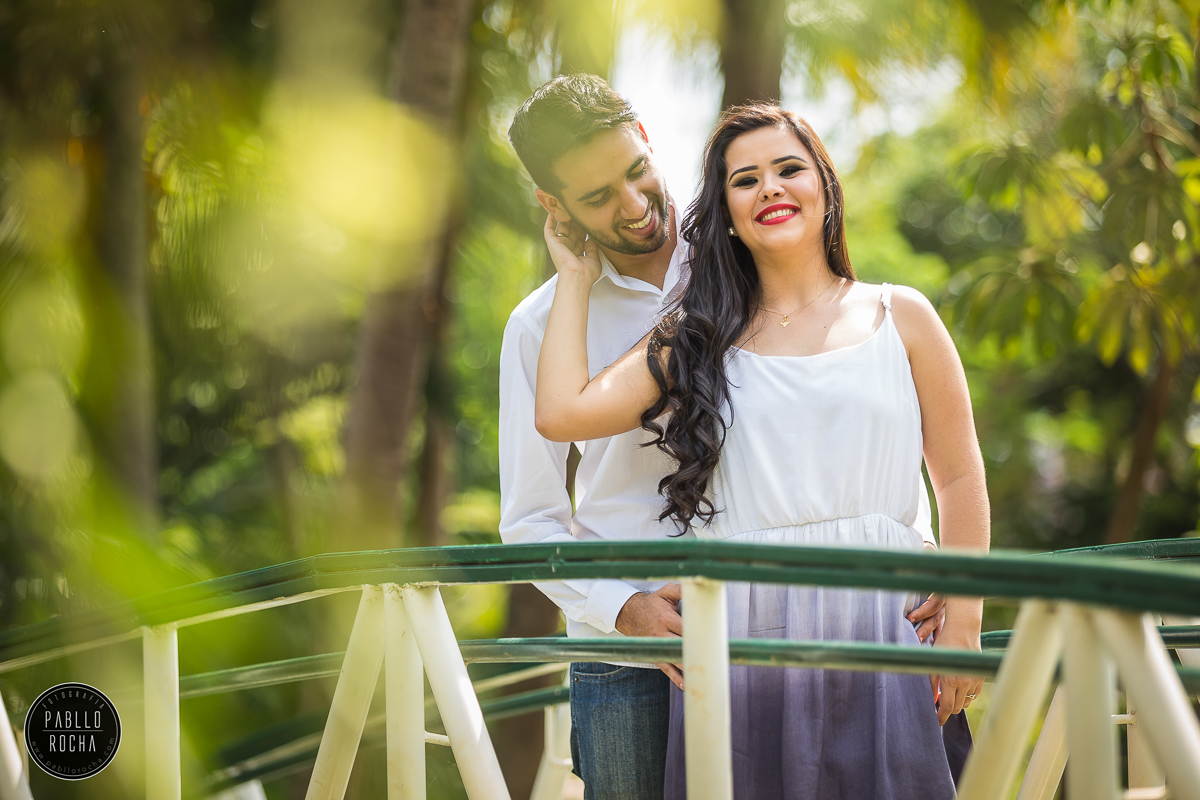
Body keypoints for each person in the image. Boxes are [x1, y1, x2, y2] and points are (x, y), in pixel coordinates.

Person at [502, 77, 949, 800]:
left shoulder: (751, 252)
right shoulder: (538, 327)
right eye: (597, 196)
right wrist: (621, 607)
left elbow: (846, 409)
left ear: (648, 139)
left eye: (636, 170)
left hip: (771, 622)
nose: (634, 204)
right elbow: (528, 519)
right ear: (553, 206)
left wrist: (915, 545)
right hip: (629, 650)